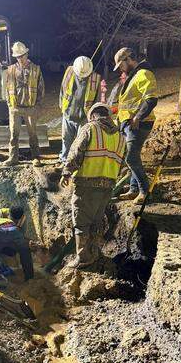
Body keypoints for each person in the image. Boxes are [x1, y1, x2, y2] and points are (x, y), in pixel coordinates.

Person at [60, 102, 127, 268]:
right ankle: (95, 252)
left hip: (87, 184)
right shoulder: (120, 136)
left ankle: (83, 257)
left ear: (92, 115)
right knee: (97, 220)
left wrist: (67, 172)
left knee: (81, 221)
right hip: (108, 185)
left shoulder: (90, 128)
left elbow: (76, 153)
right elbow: (121, 162)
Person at [111, 47, 158, 205]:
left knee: (131, 158)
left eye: (121, 66)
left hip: (139, 124)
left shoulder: (143, 74)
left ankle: (145, 191)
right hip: (128, 124)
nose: (121, 70)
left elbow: (151, 99)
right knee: (131, 157)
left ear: (128, 60)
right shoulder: (133, 76)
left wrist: (138, 117)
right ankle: (133, 189)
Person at [2, 41, 45, 165]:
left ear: (26, 54)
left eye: (22, 56)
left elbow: (41, 88)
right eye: (17, 56)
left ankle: (36, 157)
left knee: (33, 134)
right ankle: (13, 158)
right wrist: (9, 105)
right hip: (15, 108)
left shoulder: (36, 69)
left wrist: (37, 106)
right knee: (13, 135)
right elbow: (6, 89)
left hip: (31, 108)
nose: (20, 58)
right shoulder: (11, 70)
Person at [58, 55, 104, 165]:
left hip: (84, 117)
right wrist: (62, 107)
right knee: (66, 138)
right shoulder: (69, 72)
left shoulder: (95, 78)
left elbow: (97, 99)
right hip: (68, 113)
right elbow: (62, 90)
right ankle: (64, 158)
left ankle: (78, 162)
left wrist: (93, 117)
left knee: (80, 142)